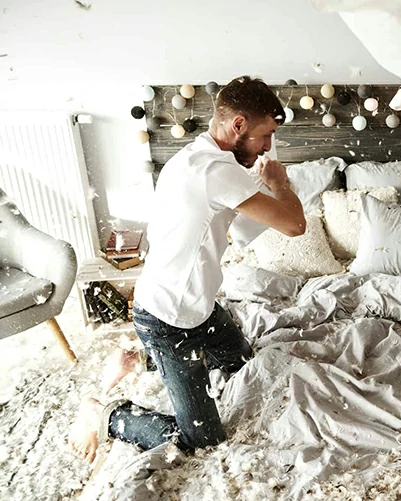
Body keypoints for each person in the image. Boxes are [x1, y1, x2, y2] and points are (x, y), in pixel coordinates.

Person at [69, 76, 306, 463]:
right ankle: (108, 413)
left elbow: (244, 231)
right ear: (239, 125)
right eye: (266, 135)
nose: (268, 147)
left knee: (244, 365)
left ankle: (142, 359)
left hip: (202, 309)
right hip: (167, 319)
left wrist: (263, 193)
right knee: (203, 441)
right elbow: (296, 226)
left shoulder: (200, 157)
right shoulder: (215, 172)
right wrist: (280, 185)